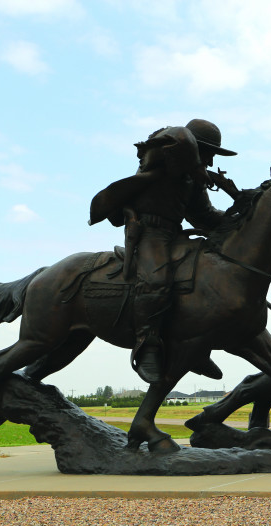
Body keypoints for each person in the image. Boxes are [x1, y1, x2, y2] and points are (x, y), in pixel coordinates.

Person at [89, 119, 237, 383]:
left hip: (174, 235)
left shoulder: (192, 179)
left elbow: (203, 215)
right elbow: (179, 136)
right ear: (195, 147)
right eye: (209, 154)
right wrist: (197, 167)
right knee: (156, 280)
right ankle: (147, 345)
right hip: (148, 232)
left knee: (205, 275)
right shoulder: (162, 152)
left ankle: (196, 346)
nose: (211, 162)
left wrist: (241, 219)